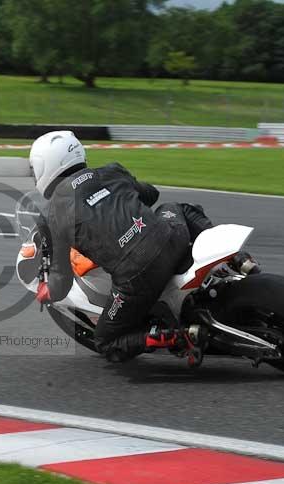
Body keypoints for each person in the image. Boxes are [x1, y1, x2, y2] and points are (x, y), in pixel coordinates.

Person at [30, 131, 253, 363]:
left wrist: (47, 291)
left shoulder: (54, 216)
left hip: (137, 279)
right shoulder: (112, 171)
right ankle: (239, 259)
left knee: (105, 342)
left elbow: (61, 282)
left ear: (45, 167)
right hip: (172, 238)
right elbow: (151, 194)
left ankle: (178, 336)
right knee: (177, 207)